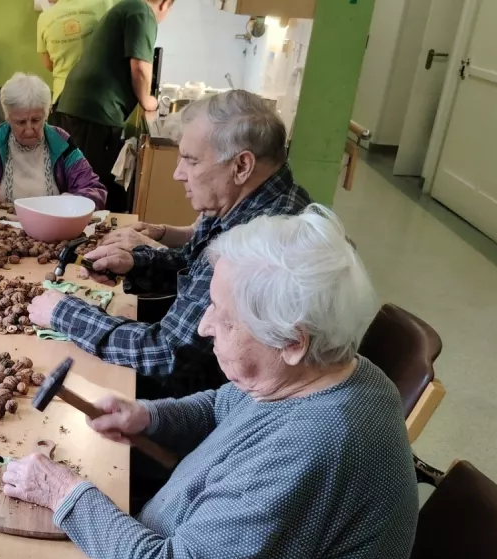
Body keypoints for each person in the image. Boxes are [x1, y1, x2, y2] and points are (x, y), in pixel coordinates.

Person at [1, 206, 418, 559]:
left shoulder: (320, 444)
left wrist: (66, 494)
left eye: (224, 316)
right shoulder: (330, 369)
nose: (203, 326)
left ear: (291, 341)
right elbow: (228, 404)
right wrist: (147, 417)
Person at [30, 90, 313, 400]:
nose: (178, 174)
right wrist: (135, 264)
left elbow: (167, 354)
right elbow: (193, 266)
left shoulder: (259, 241)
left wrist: (65, 314)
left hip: (212, 401)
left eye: (190, 161)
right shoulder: (246, 201)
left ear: (242, 166)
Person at [52, 0, 175, 211]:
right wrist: (147, 100)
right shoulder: (142, 11)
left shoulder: (125, 7)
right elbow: (140, 67)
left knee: (69, 182)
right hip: (95, 110)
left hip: (74, 104)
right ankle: (78, 240)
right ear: (165, 3)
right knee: (86, 190)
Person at [0, 72, 107, 209]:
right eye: (20, 122)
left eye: (36, 120)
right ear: (7, 117)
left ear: (47, 113)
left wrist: (74, 200)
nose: (29, 129)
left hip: (50, 233)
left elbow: (95, 190)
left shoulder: (61, 143)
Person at [37, 0, 115, 106]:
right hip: (101, 97)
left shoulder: (44, 18)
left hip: (64, 99)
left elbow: (48, 64)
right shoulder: (103, 3)